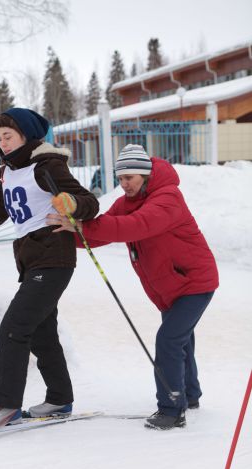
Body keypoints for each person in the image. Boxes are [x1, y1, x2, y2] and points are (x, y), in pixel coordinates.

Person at [0, 108, 99, 430]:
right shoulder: (8, 172)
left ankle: (7, 406)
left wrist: (71, 205)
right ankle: (59, 398)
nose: (3, 143)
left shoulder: (47, 166)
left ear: (26, 135)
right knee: (41, 331)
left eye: (8, 136)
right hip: (31, 261)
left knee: (14, 327)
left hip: (54, 259)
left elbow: (89, 202)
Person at [46, 144, 219, 430]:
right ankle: (189, 394)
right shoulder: (128, 201)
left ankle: (171, 410)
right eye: (121, 177)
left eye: (130, 178)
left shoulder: (168, 198)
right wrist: (70, 230)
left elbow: (135, 225)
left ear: (146, 176)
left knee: (169, 340)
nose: (123, 184)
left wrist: (82, 228)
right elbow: (105, 227)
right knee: (181, 340)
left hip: (194, 282)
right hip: (170, 285)